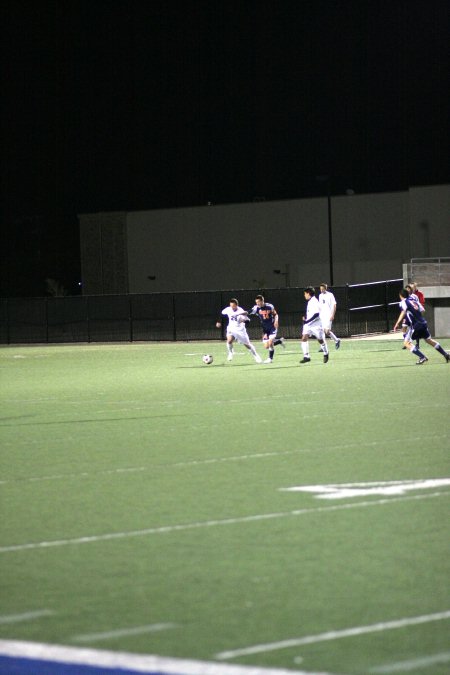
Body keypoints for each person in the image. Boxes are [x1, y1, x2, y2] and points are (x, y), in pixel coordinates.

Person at [393, 288, 449, 364]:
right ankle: (445, 354)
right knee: (429, 340)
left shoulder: (404, 302)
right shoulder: (414, 301)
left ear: (401, 296)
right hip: (423, 323)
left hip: (416, 325)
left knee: (406, 343)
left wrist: (397, 323)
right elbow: (423, 310)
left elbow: (403, 311)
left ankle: (422, 357)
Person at [216, 298, 262, 363]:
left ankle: (256, 356)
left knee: (247, 345)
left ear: (236, 305)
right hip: (231, 328)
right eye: (231, 306)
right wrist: (218, 321)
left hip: (240, 330)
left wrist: (243, 320)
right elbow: (221, 314)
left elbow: (248, 320)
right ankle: (231, 353)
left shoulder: (241, 311)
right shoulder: (228, 309)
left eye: (233, 306)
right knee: (229, 341)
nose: (232, 307)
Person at [248, 294, 285, 363]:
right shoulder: (256, 308)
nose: (257, 303)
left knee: (270, 342)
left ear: (262, 301)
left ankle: (270, 359)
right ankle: (279, 341)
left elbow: (276, 314)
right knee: (266, 346)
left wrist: (276, 321)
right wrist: (240, 313)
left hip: (272, 327)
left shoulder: (269, 306)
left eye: (258, 302)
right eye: (256, 302)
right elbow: (248, 312)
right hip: (265, 329)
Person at [300, 287, 329, 363]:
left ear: (308, 293)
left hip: (316, 324)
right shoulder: (310, 301)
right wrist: (306, 318)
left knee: (320, 340)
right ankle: (306, 356)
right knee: (304, 338)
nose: (304, 295)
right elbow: (311, 313)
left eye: (305, 294)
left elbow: (316, 314)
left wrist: (307, 321)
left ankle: (326, 353)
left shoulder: (314, 301)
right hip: (308, 324)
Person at [318, 283, 340, 350]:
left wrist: (332, 315)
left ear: (325, 288)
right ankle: (323, 346)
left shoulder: (330, 295)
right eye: (320, 289)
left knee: (327, 331)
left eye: (322, 289)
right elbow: (320, 306)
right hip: (322, 316)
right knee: (322, 331)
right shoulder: (320, 296)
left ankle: (336, 340)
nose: (321, 290)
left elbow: (334, 305)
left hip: (328, 315)